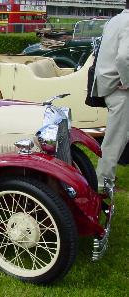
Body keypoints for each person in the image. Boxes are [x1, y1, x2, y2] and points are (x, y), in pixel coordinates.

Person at [92, 2, 129, 190]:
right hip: (120, 89)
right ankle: (103, 182)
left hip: (110, 85)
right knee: (115, 140)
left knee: (117, 137)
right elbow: (124, 57)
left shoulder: (115, 20)